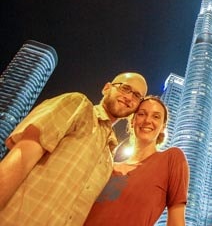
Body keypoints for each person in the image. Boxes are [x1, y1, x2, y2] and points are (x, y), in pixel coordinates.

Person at [0, 72, 148, 226]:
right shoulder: (78, 106)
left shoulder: (109, 155)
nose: (129, 97)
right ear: (106, 88)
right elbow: (21, 158)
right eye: (125, 88)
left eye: (137, 96)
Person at [84, 96, 189, 226]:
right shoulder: (108, 166)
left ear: (163, 126)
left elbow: (177, 220)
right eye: (141, 114)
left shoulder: (171, 158)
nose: (147, 120)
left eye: (156, 117)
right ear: (133, 121)